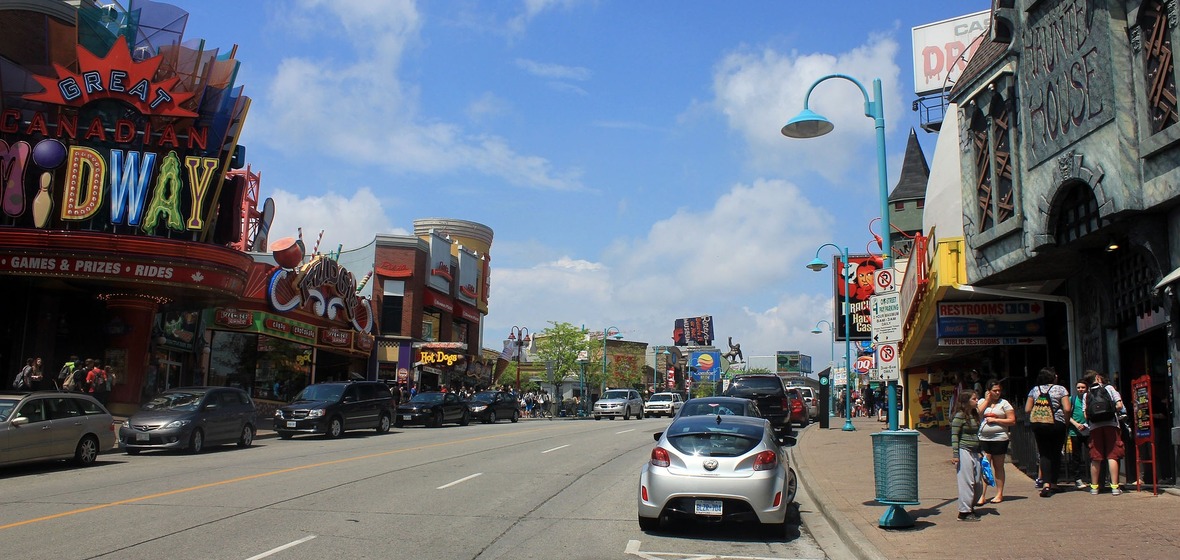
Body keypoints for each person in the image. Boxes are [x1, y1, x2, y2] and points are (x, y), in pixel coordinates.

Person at [1024, 367, 1071, 497]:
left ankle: (1045, 484)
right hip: (1057, 424)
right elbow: (1067, 408)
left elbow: (1027, 409)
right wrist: (1066, 422)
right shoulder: (1061, 389)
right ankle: (1054, 483)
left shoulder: (1034, 390)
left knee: (1044, 453)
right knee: (1055, 453)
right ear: (1053, 377)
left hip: (1039, 424)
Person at [1083, 370, 1126, 495]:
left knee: (1096, 457)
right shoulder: (1109, 389)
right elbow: (1119, 405)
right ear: (1097, 377)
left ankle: (1094, 487)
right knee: (1112, 455)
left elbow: (1086, 414)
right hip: (1111, 425)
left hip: (1095, 427)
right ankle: (1115, 487)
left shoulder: (1087, 395)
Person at [976, 380, 1016, 504]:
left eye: (999, 390)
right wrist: (987, 401)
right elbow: (976, 414)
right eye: (995, 391)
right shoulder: (982, 402)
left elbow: (1012, 420)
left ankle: (999, 494)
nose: (997, 393)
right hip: (984, 438)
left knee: (998, 466)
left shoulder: (1004, 404)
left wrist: (996, 420)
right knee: (985, 466)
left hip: (999, 439)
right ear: (988, 391)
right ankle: (981, 495)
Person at [950, 389, 983, 521]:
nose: (976, 401)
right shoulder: (960, 415)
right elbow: (954, 435)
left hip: (975, 451)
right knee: (967, 481)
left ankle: (970, 506)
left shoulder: (975, 414)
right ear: (966, 401)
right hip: (964, 450)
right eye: (974, 399)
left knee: (977, 482)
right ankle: (964, 511)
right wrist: (955, 454)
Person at [1067, 380, 1090, 489]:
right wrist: (1076, 425)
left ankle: (1092, 477)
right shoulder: (1072, 399)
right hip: (1074, 431)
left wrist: (1085, 424)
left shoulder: (1090, 399)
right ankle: (1077, 478)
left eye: (1083, 387)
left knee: (1092, 454)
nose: (1080, 389)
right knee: (1076, 456)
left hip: (1088, 430)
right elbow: (1066, 414)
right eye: (1078, 387)